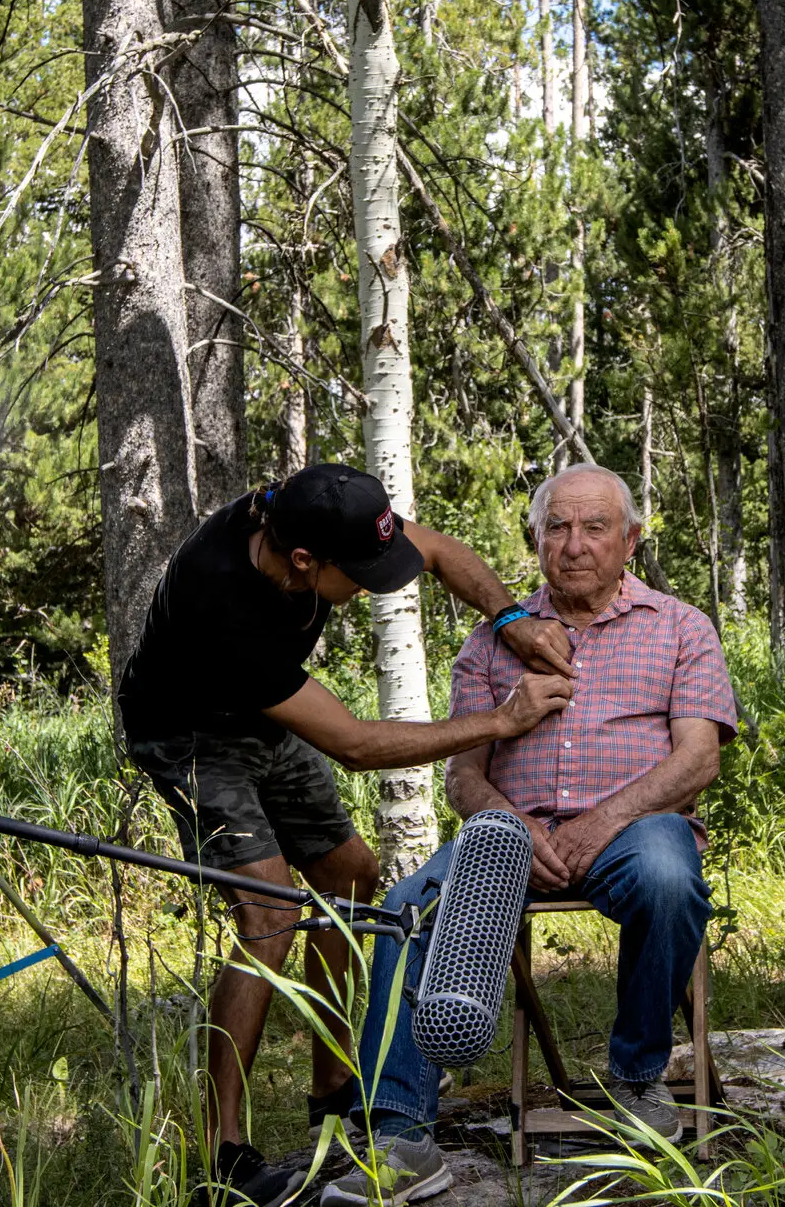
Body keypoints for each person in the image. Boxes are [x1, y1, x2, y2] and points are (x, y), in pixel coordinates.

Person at [117, 463, 574, 1207]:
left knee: (352, 876)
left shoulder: (315, 518)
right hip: (188, 733)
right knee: (270, 914)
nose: (379, 583)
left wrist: (508, 618)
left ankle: (332, 1086)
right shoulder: (222, 599)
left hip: (261, 714)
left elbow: (436, 550)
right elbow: (356, 744)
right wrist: (499, 720)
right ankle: (222, 1154)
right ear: (304, 562)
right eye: (361, 575)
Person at [322, 463, 739, 1207]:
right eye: (557, 527)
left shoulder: (680, 626)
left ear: (632, 541)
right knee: (410, 903)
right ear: (538, 539)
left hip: (634, 828)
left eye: (595, 527)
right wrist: (512, 823)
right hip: (510, 841)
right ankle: (398, 1135)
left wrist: (602, 820)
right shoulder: (494, 641)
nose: (574, 544)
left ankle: (640, 1076)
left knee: (670, 878)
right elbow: (463, 779)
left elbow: (698, 758)